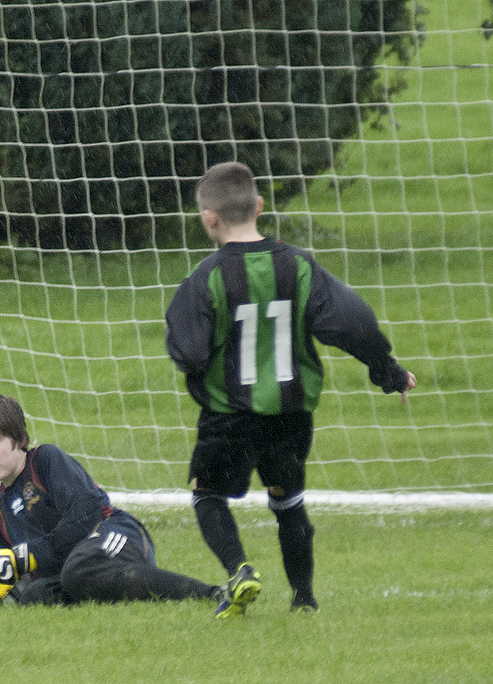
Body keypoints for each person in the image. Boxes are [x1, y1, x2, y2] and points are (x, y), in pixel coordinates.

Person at [165, 161, 416, 617]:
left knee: (207, 494)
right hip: (291, 415)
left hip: (229, 416)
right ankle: (304, 599)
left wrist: (197, 367)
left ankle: (240, 570)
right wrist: (387, 370)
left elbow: (190, 351)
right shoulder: (299, 265)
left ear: (209, 218)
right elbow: (351, 321)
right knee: (288, 502)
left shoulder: (207, 278)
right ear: (259, 206)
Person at [0, 391, 229, 610]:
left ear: (18, 439)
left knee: (79, 568)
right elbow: (15, 575)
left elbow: (85, 515)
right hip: (71, 571)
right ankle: (110, 594)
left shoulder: (44, 460)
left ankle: (210, 593)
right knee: (36, 595)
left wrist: (22, 558)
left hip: (113, 533)